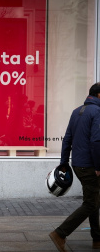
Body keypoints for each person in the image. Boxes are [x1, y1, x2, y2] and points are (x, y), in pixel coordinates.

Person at [49, 83, 100, 251]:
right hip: (90, 166)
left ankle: (96, 239)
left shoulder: (76, 111)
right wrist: (98, 166)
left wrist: (64, 163)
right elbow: (96, 141)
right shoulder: (97, 112)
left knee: (93, 199)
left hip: (78, 165)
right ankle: (60, 233)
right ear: (99, 95)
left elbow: (67, 139)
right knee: (91, 203)